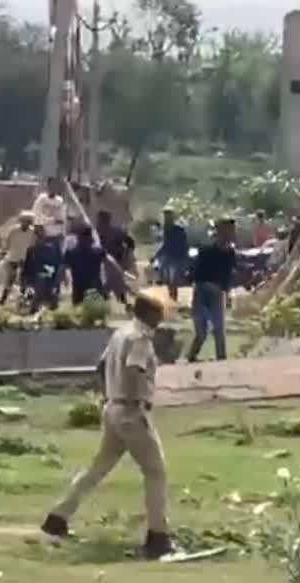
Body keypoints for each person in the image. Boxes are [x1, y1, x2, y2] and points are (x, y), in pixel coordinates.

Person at [41, 292, 177, 559]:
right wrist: (137, 402)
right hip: (130, 412)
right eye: (160, 312)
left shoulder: (121, 333)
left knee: (98, 468)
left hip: (112, 408)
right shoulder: (139, 340)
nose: (162, 318)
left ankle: (57, 517)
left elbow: (101, 366)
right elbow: (134, 370)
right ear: (149, 313)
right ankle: (158, 537)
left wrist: (108, 394)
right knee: (156, 472)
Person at [186, 217, 237, 362]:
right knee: (201, 332)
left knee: (219, 330)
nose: (232, 233)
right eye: (229, 230)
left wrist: (227, 295)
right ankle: (191, 357)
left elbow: (228, 276)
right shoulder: (207, 250)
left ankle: (221, 362)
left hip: (216, 293)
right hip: (202, 292)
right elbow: (195, 273)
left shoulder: (230, 253)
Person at [22, 223, 63, 312]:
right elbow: (27, 266)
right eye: (36, 235)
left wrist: (56, 278)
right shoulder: (31, 250)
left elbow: (57, 264)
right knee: (37, 300)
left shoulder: (50, 249)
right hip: (38, 278)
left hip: (47, 276)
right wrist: (26, 280)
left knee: (51, 300)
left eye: (40, 235)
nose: (38, 238)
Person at [0, 211, 36, 306]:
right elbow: (7, 242)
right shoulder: (13, 231)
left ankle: (23, 301)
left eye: (28, 221)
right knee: (9, 280)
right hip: (13, 258)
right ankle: (3, 300)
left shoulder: (32, 232)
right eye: (24, 221)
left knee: (24, 281)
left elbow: (33, 246)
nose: (26, 223)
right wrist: (4, 251)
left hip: (25, 259)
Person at [63, 224, 105, 306]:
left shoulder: (71, 254)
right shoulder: (99, 253)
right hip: (94, 287)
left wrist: (64, 279)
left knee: (79, 312)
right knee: (95, 311)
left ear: (78, 239)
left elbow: (63, 267)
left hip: (78, 289)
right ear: (91, 239)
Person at [157, 206, 189, 302]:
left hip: (176, 257)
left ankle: (173, 299)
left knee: (173, 280)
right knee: (167, 279)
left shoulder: (178, 230)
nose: (167, 217)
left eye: (169, 215)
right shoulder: (163, 230)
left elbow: (184, 244)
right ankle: (170, 298)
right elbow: (163, 245)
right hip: (167, 257)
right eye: (165, 215)